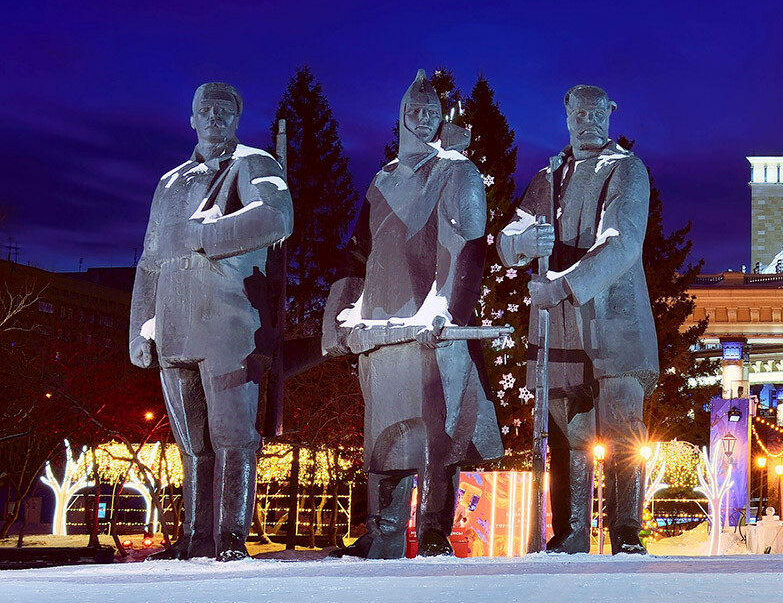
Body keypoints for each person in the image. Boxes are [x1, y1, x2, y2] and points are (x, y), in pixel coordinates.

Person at [324, 71, 502, 557]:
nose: (422, 120)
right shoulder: (380, 181)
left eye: (431, 113)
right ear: (401, 115)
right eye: (414, 111)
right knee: (386, 434)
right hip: (381, 329)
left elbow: (464, 248)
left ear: (440, 119)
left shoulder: (456, 172)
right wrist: (340, 314)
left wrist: (444, 308)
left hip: (430, 330)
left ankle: (433, 534)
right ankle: (382, 531)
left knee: (436, 438)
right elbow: (357, 253)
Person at [130, 82, 294, 560]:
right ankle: (193, 536)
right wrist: (141, 327)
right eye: (207, 109)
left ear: (237, 119)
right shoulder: (169, 183)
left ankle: (230, 538)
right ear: (193, 118)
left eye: (226, 110)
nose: (216, 117)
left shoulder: (255, 163)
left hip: (230, 324)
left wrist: (207, 235)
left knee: (233, 436)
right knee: (191, 441)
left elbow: (276, 217)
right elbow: (148, 260)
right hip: (175, 326)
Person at [498, 85, 658, 553]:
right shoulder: (549, 176)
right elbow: (510, 235)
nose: (589, 121)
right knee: (569, 431)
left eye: (597, 113)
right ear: (567, 115)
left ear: (609, 116)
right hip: (562, 328)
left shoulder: (627, 169)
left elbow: (622, 240)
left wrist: (564, 284)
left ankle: (626, 530)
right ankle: (570, 531)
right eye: (580, 113)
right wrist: (523, 244)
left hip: (616, 325)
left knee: (623, 426)